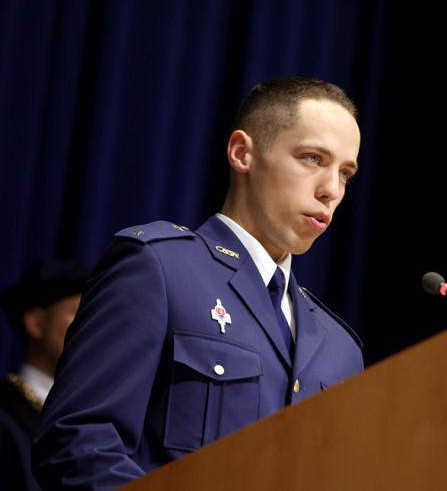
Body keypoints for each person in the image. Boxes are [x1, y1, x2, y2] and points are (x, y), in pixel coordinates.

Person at [32, 77, 365, 490]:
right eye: (313, 158)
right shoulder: (159, 267)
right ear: (243, 153)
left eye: (346, 174)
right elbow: (78, 445)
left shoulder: (340, 349)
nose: (332, 190)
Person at [0, 258, 91, 491]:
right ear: (36, 323)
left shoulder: (95, 417)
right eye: (79, 315)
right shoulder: (6, 416)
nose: (92, 330)